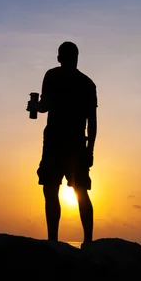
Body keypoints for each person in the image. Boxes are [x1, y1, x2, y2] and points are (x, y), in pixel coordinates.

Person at [28, 41, 97, 244]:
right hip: (76, 144)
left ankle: (53, 241)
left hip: (55, 142)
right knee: (80, 191)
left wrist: (35, 106)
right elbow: (92, 122)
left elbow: (44, 106)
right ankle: (88, 242)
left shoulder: (52, 76)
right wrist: (90, 150)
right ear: (76, 58)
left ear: (59, 58)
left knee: (51, 189)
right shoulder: (87, 83)